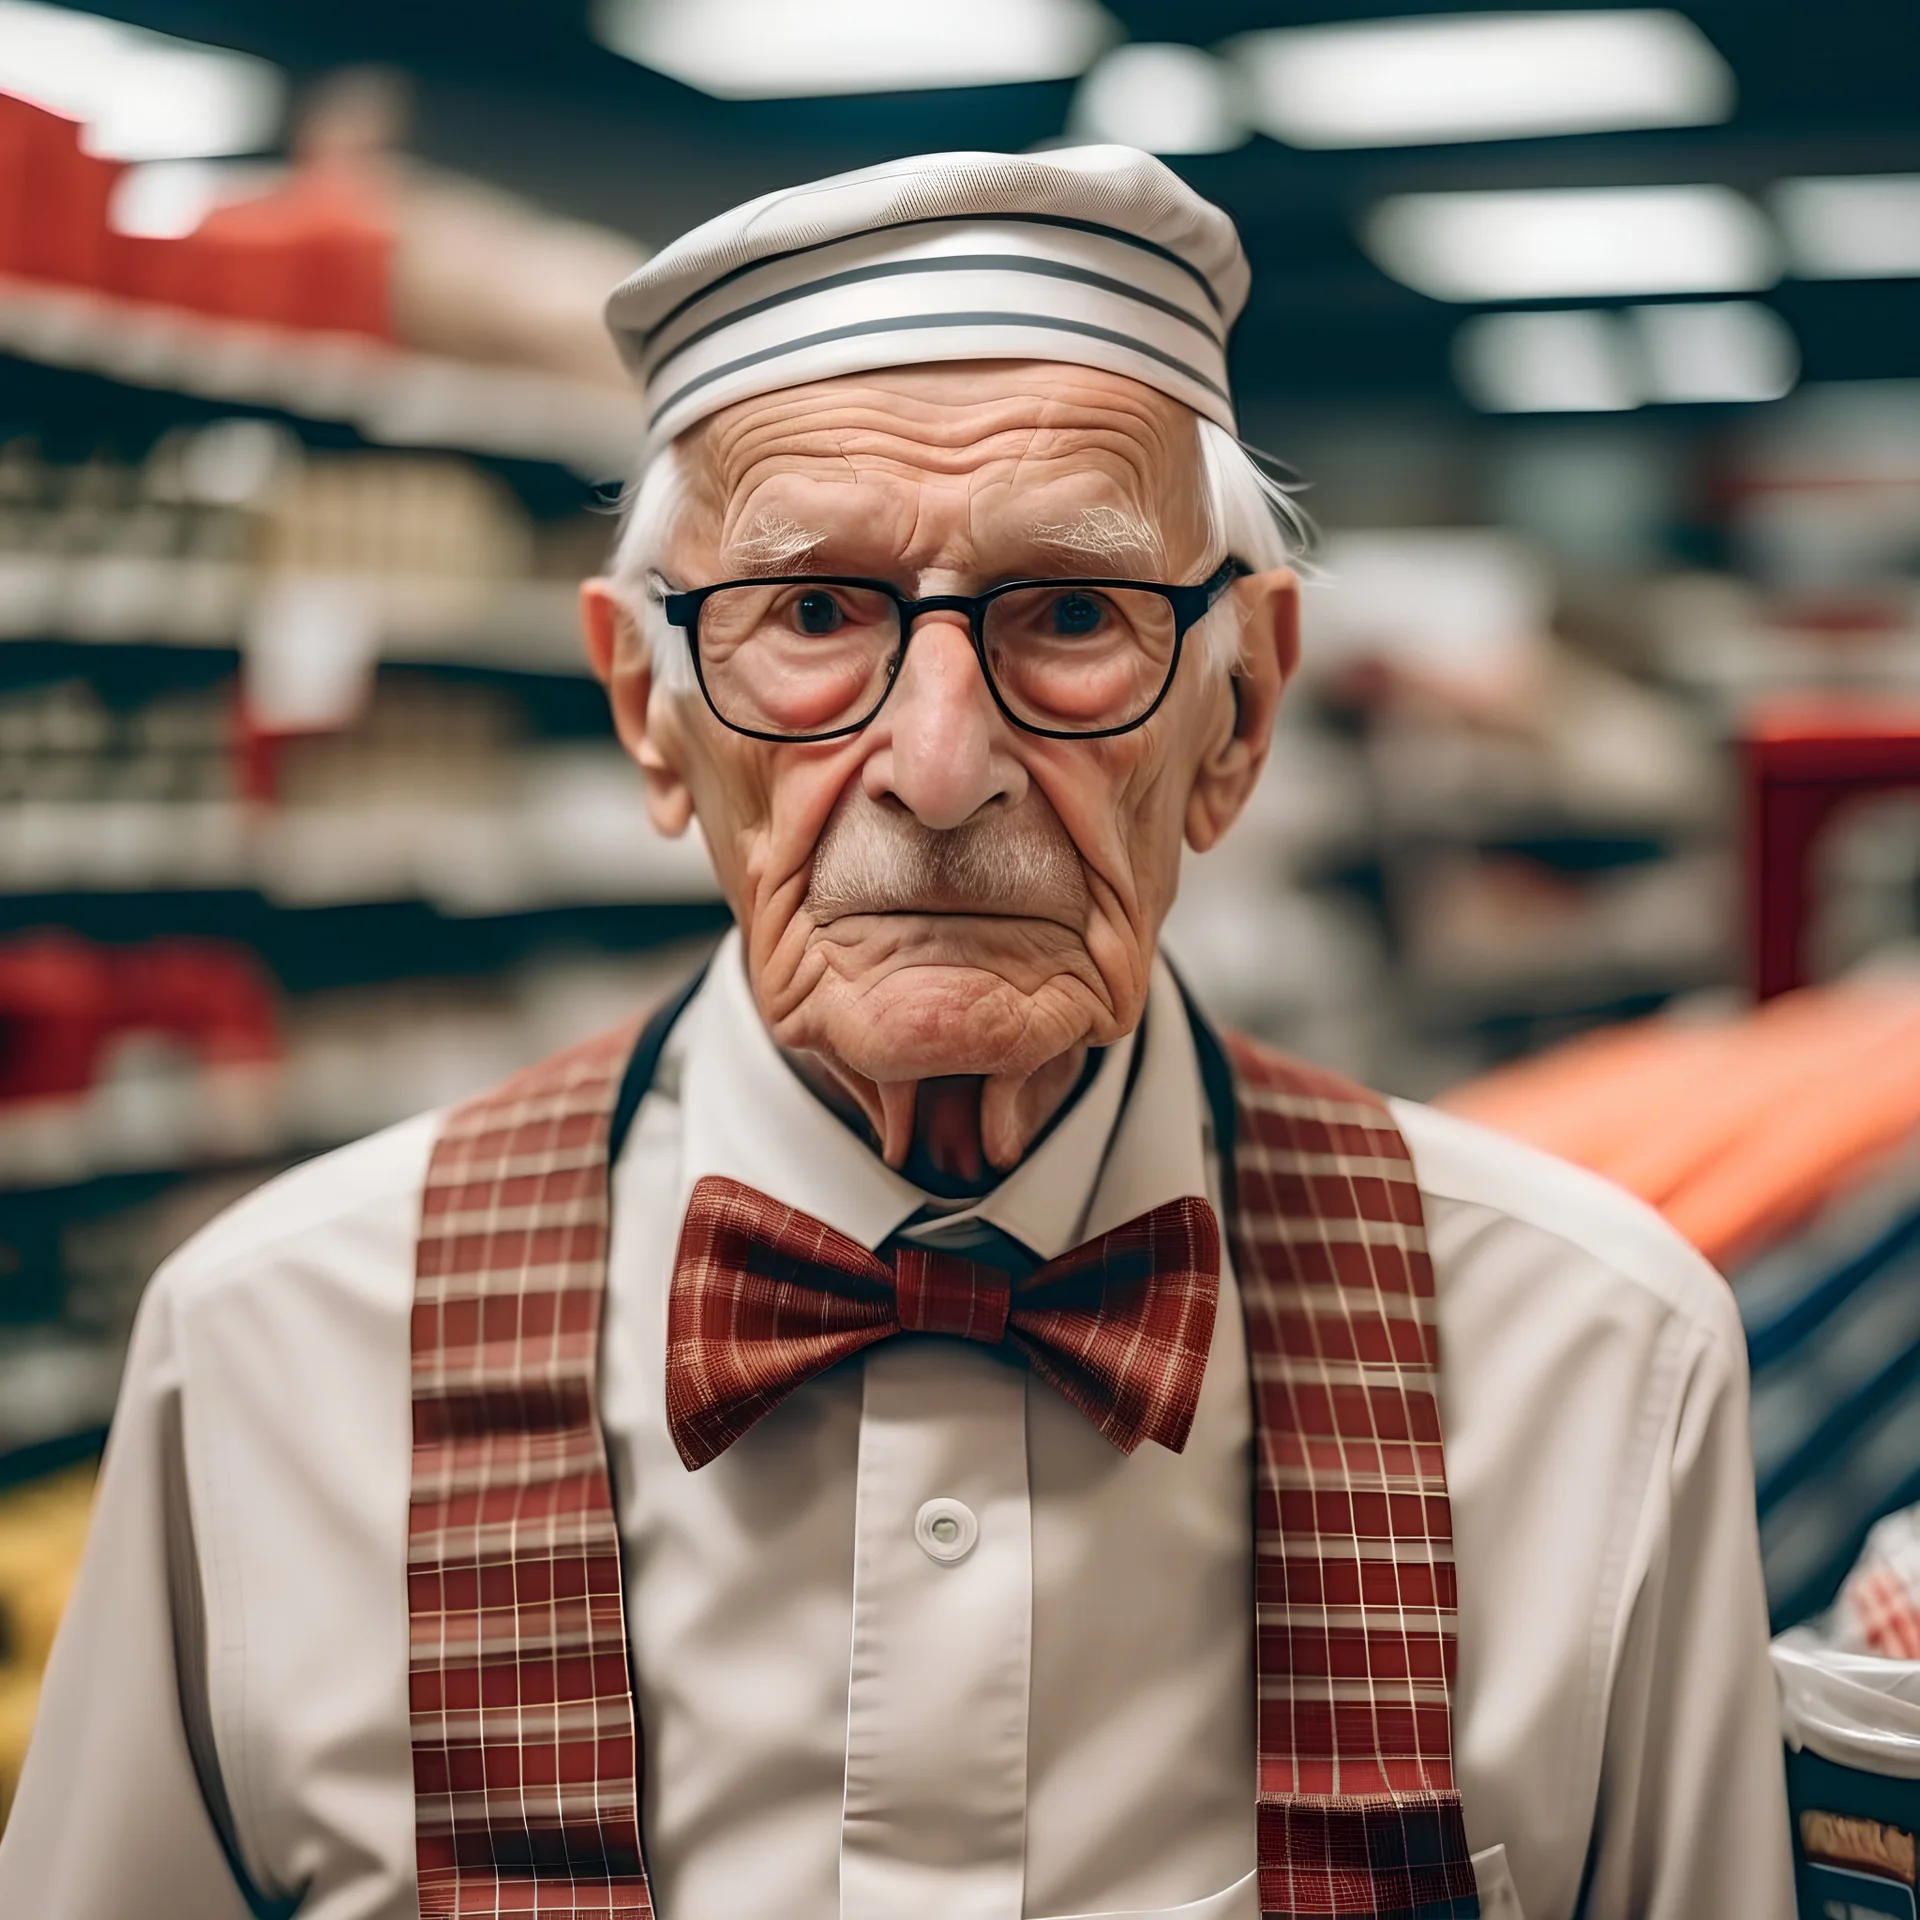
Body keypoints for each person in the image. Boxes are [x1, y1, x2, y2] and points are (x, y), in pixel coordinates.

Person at [0, 147, 1793, 1920]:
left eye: (1074, 614)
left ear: (1239, 716)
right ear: (648, 710)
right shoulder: (268, 1366)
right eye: (813, 614)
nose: (939, 770)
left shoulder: (1594, 1373)